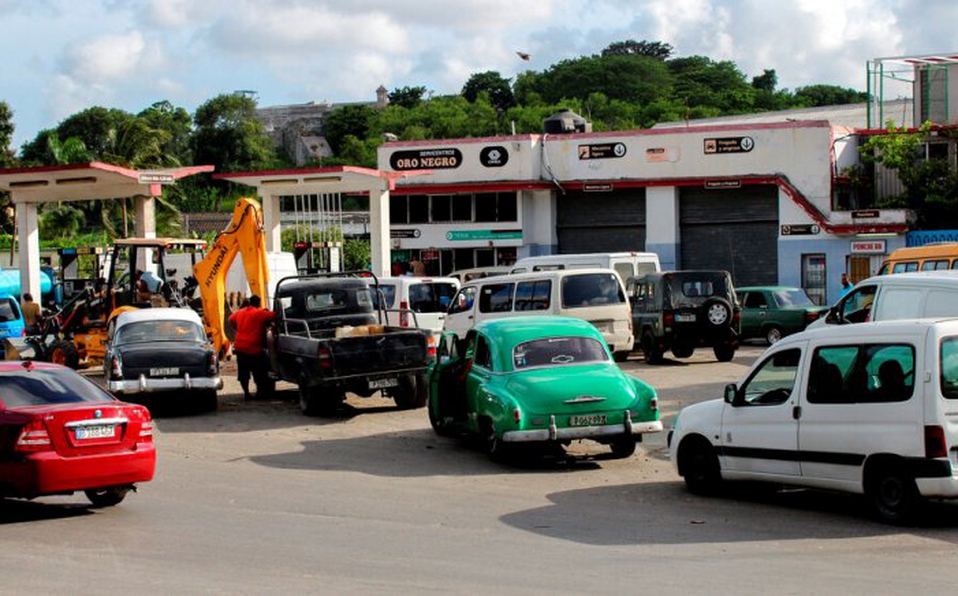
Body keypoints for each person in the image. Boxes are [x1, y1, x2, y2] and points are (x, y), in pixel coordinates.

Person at [228, 295, 277, 400]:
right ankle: (260, 393)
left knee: (243, 372)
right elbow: (274, 316)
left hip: (240, 346)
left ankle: (246, 393)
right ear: (259, 303)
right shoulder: (260, 313)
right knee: (259, 371)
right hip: (254, 347)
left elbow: (231, 319)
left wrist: (237, 329)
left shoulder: (241, 312)